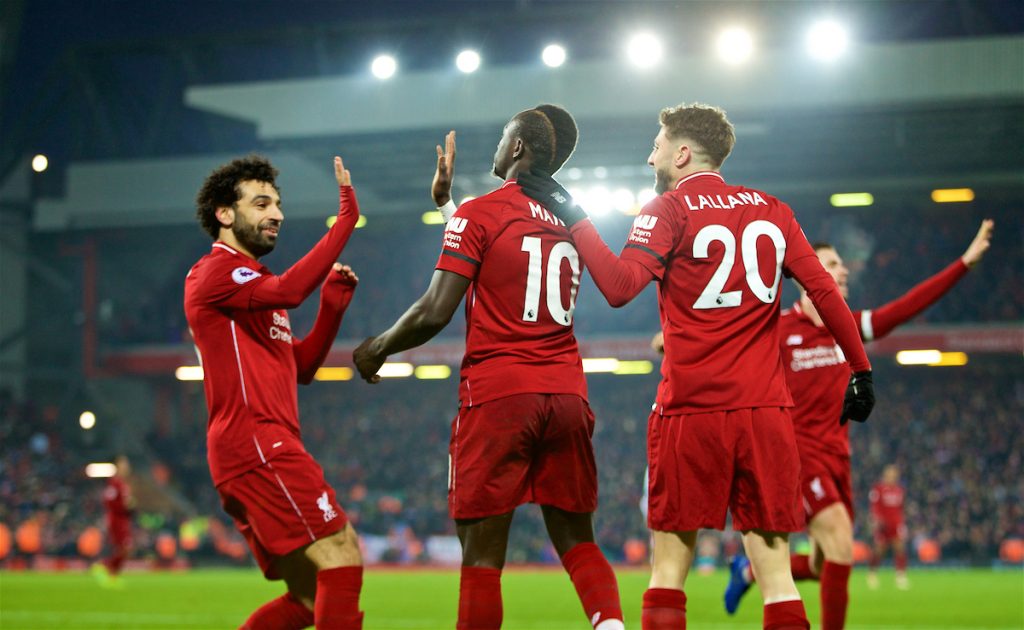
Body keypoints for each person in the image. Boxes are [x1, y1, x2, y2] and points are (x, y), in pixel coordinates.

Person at [517, 102, 875, 630]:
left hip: (690, 411)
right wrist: (861, 371)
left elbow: (618, 289)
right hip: (765, 414)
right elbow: (822, 290)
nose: (650, 155)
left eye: (657, 145)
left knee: (668, 571)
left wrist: (574, 215)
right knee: (775, 574)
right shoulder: (772, 210)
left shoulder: (666, 210)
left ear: (682, 153)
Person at [353, 106, 624, 630]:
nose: (496, 147)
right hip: (567, 397)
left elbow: (435, 311)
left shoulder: (484, 211)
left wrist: (377, 347)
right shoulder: (572, 223)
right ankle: (610, 625)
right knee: (579, 544)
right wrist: (446, 205)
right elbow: (508, 251)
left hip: (500, 397)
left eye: (503, 137)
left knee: (481, 557)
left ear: (518, 148)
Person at [724, 219, 994, 627]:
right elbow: (727, 351)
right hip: (799, 459)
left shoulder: (845, 327)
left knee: (824, 562)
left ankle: (747, 571)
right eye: (832, 263)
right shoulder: (776, 330)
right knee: (841, 544)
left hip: (838, 458)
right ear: (805, 274)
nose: (844, 270)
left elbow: (905, 308)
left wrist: (964, 264)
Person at [184, 154, 364, 629]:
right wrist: (346, 220)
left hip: (256, 448)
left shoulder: (253, 285)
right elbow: (289, 291)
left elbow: (300, 367)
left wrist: (332, 308)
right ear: (225, 214)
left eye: (278, 204)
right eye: (261, 203)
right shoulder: (215, 273)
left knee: (308, 597)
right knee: (342, 554)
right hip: (257, 442)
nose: (278, 214)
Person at [91, 454, 134, 588]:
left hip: (123, 518)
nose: (126, 466)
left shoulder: (122, 483)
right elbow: (109, 501)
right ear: (117, 465)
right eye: (124, 463)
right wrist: (125, 505)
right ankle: (102, 566)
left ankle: (112, 575)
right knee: (124, 548)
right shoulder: (114, 483)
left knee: (125, 548)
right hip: (117, 519)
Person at [868, 464, 909, 590]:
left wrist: (903, 522)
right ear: (885, 475)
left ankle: (900, 575)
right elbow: (874, 506)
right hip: (882, 524)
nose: (892, 477)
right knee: (879, 550)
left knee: (900, 548)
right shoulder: (878, 489)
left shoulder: (900, 490)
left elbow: (902, 508)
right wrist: (876, 520)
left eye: (894, 475)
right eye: (890, 474)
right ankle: (872, 574)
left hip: (896, 524)